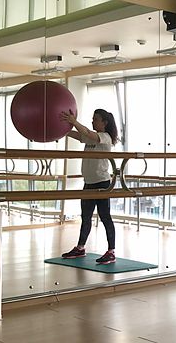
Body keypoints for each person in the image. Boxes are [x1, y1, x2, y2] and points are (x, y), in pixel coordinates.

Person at [59, 108, 119, 265]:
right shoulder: (91, 138)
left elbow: (86, 131)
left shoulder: (105, 137)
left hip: (102, 183)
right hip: (89, 183)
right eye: (92, 119)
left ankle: (111, 251)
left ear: (104, 123)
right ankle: (80, 248)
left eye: (96, 119)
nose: (93, 121)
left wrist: (73, 121)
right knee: (85, 217)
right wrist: (59, 129)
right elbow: (78, 135)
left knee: (105, 217)